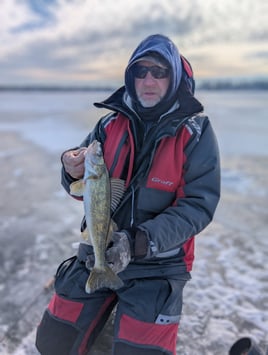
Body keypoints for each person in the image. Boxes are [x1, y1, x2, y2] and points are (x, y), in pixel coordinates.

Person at [35, 34, 220, 355]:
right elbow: (79, 187)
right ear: (130, 77)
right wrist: (70, 170)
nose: (149, 79)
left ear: (174, 78)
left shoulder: (196, 132)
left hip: (158, 263)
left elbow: (198, 207)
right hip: (98, 251)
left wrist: (139, 241)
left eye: (159, 72)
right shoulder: (108, 126)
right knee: (53, 341)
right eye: (140, 71)